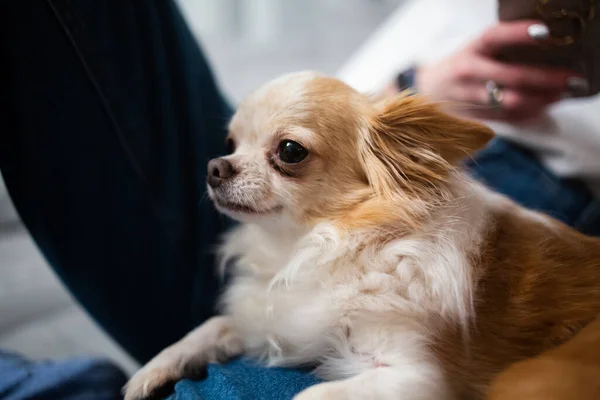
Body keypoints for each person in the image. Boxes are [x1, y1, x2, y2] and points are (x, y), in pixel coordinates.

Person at [1, 1, 598, 399]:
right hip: (336, 166)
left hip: (504, 181)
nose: (222, 165)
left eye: (287, 152)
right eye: (230, 144)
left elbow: (416, 378)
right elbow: (324, 127)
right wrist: (408, 88)